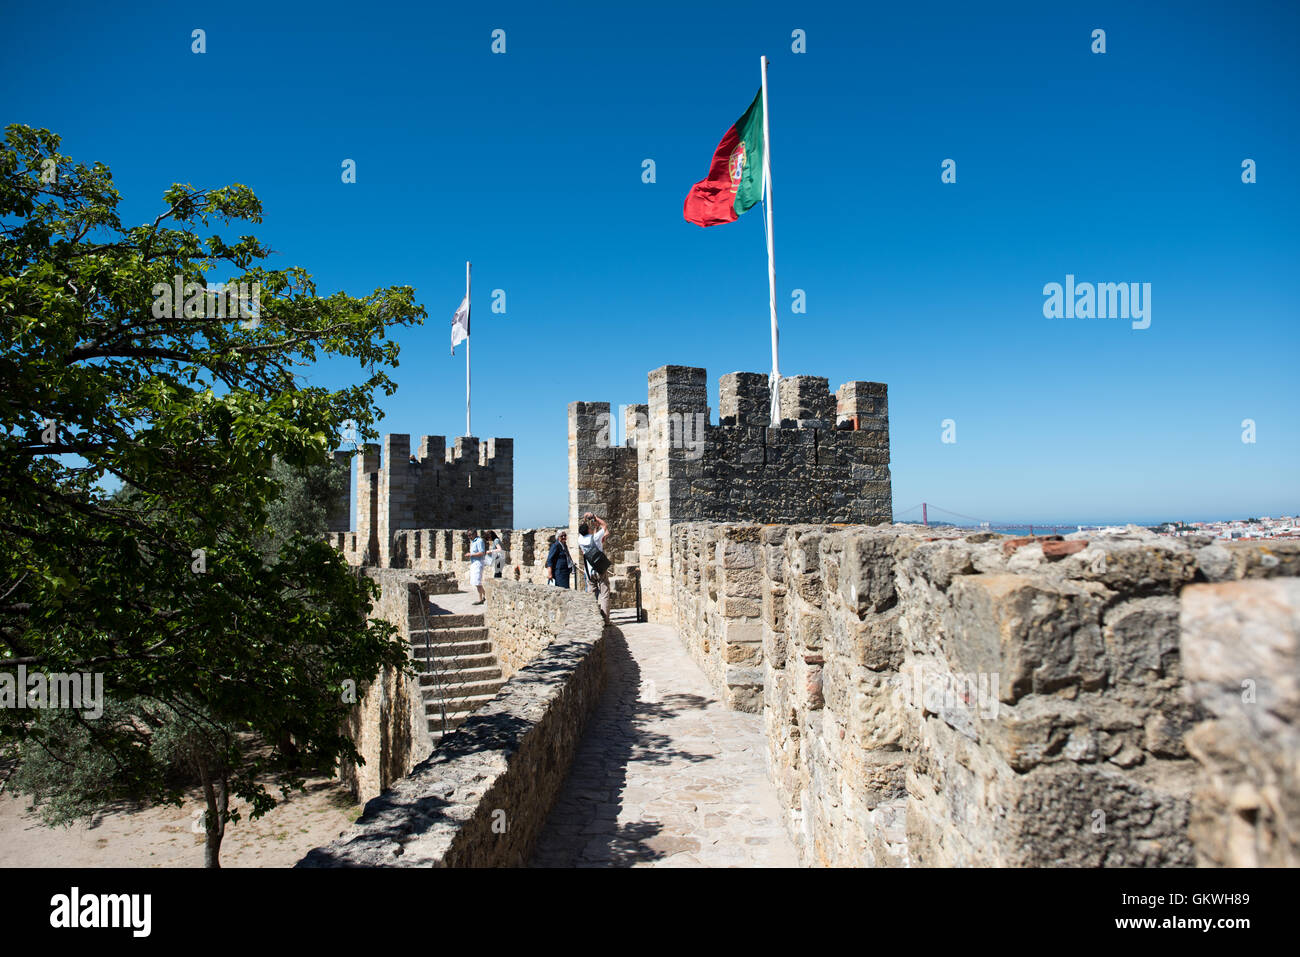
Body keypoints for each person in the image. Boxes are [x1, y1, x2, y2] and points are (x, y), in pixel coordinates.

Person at [578, 512, 612, 626]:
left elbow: (582, 529)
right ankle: (606, 620)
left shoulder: (580, 540)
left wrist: (584, 519)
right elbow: (605, 526)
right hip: (600, 569)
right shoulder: (595, 537)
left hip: (589, 570)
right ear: (588, 530)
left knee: (591, 594)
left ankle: (591, 619)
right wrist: (595, 516)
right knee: (604, 593)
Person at [465, 529, 487, 604]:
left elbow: (482, 552)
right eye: (468, 535)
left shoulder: (479, 541)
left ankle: (481, 599)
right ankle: (485, 596)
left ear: (474, 534)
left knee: (477, 582)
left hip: (478, 563)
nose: (469, 537)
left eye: (470, 535)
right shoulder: (474, 542)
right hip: (474, 563)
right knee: (476, 582)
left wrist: (470, 554)